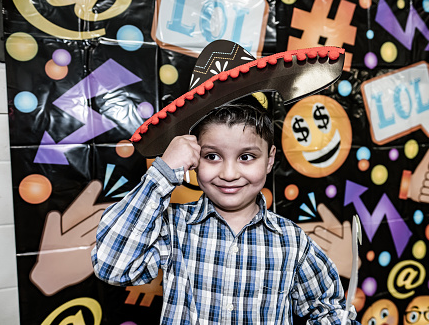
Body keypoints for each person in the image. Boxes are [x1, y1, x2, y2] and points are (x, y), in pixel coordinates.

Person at [92, 98, 360, 324]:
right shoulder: (174, 227)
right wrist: (162, 173)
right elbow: (112, 266)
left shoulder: (291, 241)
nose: (229, 174)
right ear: (194, 160)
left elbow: (327, 310)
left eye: (246, 157)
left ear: (269, 160)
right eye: (212, 156)